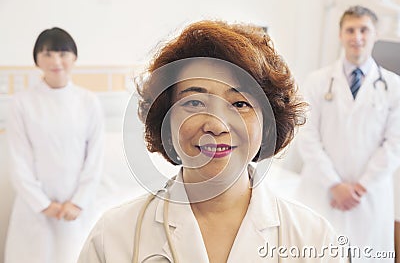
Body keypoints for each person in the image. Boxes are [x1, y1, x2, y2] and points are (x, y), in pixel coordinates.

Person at [78, 20, 347, 263]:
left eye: (239, 103)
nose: (216, 125)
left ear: (267, 122)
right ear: (165, 121)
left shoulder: (315, 240)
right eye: (194, 102)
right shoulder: (113, 237)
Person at [296, 5, 400, 262]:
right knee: (315, 253)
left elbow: (395, 143)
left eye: (364, 29)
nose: (357, 37)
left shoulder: (394, 86)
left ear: (375, 34)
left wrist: (360, 186)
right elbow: (307, 136)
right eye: (350, 30)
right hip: (323, 190)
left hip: (369, 194)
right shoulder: (317, 81)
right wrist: (335, 184)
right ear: (340, 35)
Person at [4, 27, 104, 263]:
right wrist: (43, 204)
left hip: (77, 208)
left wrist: (78, 202)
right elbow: (18, 160)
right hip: (34, 210)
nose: (55, 61)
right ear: (37, 58)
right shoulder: (21, 103)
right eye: (47, 54)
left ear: (74, 57)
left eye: (62, 53)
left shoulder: (88, 102)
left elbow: (94, 159)